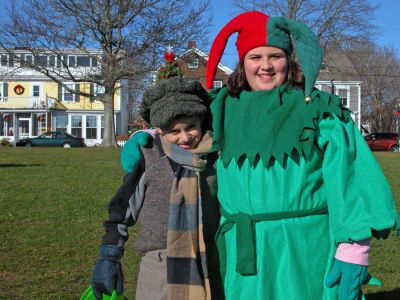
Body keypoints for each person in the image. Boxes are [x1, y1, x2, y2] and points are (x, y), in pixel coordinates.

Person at [121, 11, 399, 300]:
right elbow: (184, 128)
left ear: (288, 60)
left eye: (275, 56)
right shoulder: (220, 108)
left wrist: (354, 250)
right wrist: (150, 138)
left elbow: (349, 176)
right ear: (243, 62)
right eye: (256, 57)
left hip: (304, 248)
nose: (265, 66)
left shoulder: (318, 109)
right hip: (239, 254)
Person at [92, 77, 221, 300]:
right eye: (174, 131)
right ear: (160, 131)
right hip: (159, 264)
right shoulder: (149, 156)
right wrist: (109, 256)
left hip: (210, 261)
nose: (185, 137)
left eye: (191, 127)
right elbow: (122, 210)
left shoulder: (215, 156)